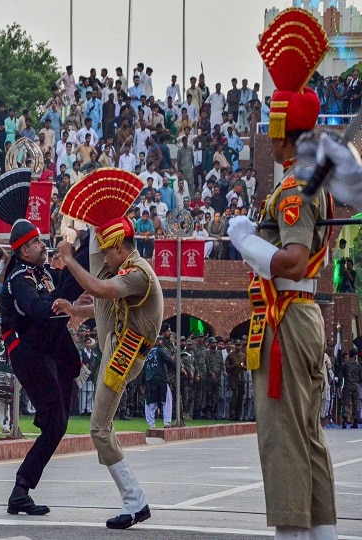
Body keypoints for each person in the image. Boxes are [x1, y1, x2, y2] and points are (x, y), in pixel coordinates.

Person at [227, 10, 337, 538]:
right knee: (308, 435)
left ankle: (293, 534)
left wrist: (245, 241)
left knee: (283, 438)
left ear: (282, 132)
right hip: (302, 314)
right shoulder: (310, 183)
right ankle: (322, 533)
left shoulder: (294, 189)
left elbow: (291, 260)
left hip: (287, 314)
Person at [53, 185, 163, 529]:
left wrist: (69, 258)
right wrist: (76, 309)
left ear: (119, 247)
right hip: (117, 343)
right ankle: (135, 501)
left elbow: (102, 290)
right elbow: (103, 302)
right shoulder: (125, 264)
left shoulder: (138, 273)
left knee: (99, 429)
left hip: (125, 355)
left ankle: (135, 501)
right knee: (100, 429)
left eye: (105, 250)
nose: (102, 257)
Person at [0, 219, 83, 516]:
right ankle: (20, 490)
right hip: (26, 350)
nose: (42, 245)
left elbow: (71, 281)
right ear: (22, 252)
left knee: (57, 423)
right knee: (55, 422)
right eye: (35, 243)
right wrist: (59, 301)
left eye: (40, 240)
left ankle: (20, 491)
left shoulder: (44, 271)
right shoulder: (19, 277)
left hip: (46, 349)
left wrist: (79, 255)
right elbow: (35, 307)